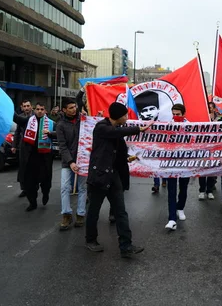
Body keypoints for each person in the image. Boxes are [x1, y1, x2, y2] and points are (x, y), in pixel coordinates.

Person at [85, 102, 153, 257]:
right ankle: (90, 240)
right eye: (125, 115)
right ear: (120, 116)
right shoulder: (102, 127)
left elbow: (118, 151)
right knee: (93, 211)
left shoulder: (116, 130)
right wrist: (138, 129)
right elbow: (114, 133)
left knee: (121, 212)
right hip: (100, 176)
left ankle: (126, 246)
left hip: (114, 175)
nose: (127, 118)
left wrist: (128, 158)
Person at [13, 102, 56, 212]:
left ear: (45, 111)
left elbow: (60, 133)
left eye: (42, 109)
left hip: (45, 158)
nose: (40, 111)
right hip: (30, 158)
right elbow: (16, 119)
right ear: (34, 110)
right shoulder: (28, 121)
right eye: (37, 109)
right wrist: (6, 107)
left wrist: (50, 133)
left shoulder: (51, 123)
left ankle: (45, 194)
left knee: (46, 182)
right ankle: (32, 202)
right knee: (30, 182)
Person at [57, 97, 86, 230]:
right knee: (64, 187)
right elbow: (62, 146)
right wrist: (70, 162)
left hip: (83, 160)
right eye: (71, 108)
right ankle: (66, 214)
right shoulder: (61, 125)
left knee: (82, 188)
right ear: (64, 110)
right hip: (67, 162)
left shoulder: (83, 119)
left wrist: (93, 118)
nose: (74, 109)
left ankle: (80, 214)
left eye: (75, 107)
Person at [165, 104, 192, 230]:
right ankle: (171, 219)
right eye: (174, 114)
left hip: (185, 163)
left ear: (184, 114)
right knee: (171, 190)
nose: (175, 116)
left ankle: (180, 208)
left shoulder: (191, 126)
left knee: (183, 188)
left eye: (178, 114)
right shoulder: (167, 126)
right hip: (171, 163)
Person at [12, 100, 33, 198]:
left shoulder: (35, 116)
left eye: (28, 106)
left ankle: (33, 187)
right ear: (22, 107)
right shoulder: (20, 118)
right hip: (23, 146)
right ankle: (24, 188)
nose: (26, 108)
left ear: (31, 107)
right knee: (22, 168)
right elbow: (17, 133)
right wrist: (14, 146)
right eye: (24, 106)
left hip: (33, 147)